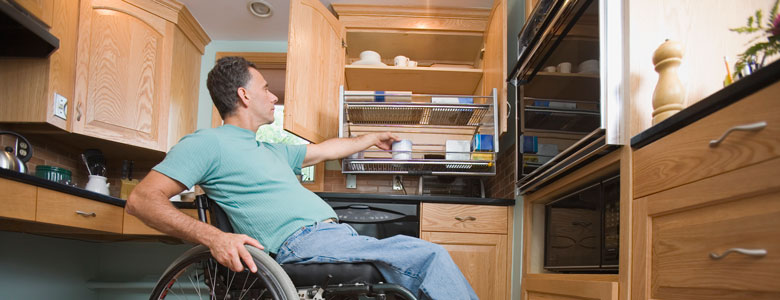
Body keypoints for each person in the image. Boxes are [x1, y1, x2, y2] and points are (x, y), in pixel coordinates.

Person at [127, 56, 478, 300]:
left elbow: (326, 149)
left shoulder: (270, 149)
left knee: (409, 265)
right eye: (265, 88)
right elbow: (143, 200)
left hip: (334, 236)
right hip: (302, 244)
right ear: (244, 95)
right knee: (427, 257)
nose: (274, 95)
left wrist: (371, 138)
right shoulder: (208, 142)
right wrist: (215, 237)